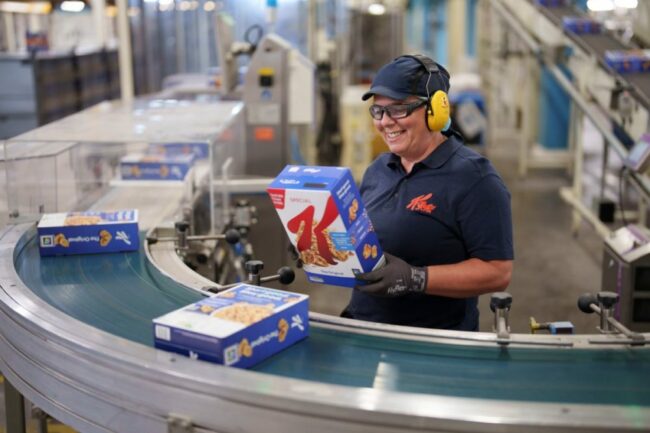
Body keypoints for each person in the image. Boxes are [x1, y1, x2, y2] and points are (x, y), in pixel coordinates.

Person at [342, 54, 514, 331]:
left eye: (398, 109)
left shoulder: (475, 179)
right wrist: (322, 247)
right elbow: (363, 239)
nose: (385, 122)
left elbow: (497, 272)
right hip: (366, 328)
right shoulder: (378, 169)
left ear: (436, 111)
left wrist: (416, 278)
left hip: (432, 342)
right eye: (378, 111)